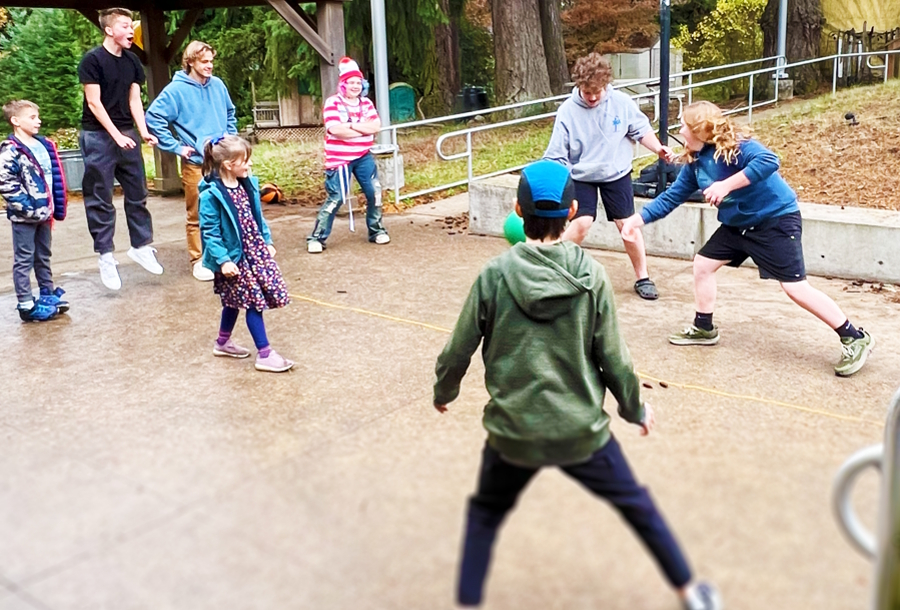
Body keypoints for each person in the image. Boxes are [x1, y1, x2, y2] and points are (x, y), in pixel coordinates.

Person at [433, 159, 721, 610]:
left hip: (515, 433)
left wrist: (443, 392)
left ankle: (468, 603)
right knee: (637, 506)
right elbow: (614, 358)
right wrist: (634, 409)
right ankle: (691, 592)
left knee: (486, 513)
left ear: (516, 209)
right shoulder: (592, 276)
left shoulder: (494, 275)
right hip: (580, 432)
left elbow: (457, 350)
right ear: (571, 211)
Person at [620, 101, 874, 377]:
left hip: (774, 220)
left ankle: (855, 336)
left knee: (795, 288)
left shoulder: (739, 146)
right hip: (738, 225)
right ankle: (704, 328)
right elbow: (672, 196)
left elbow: (769, 161)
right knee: (703, 265)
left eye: (683, 125)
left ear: (700, 130)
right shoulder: (696, 162)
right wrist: (637, 220)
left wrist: (726, 185)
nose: (679, 129)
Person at [544, 52, 672, 300]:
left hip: (616, 172)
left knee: (628, 225)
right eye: (587, 92)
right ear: (579, 86)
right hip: (581, 175)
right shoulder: (567, 111)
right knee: (581, 223)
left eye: (597, 92)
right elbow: (556, 155)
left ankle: (643, 277)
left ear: (606, 85)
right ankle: (553, 268)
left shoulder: (622, 102)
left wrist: (658, 148)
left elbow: (640, 129)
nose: (592, 98)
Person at [78, 7, 161, 291]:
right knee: (100, 198)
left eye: (132, 25)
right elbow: (94, 103)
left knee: (138, 193)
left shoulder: (133, 61)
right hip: (98, 136)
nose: (131, 30)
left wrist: (143, 131)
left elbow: (135, 100)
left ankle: (140, 246)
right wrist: (115, 135)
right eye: (126, 25)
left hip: (126, 134)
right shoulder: (92, 60)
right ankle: (106, 256)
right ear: (109, 30)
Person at [198, 135, 294, 373]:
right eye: (245, 161)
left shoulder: (247, 185)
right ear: (229, 164)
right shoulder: (211, 195)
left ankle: (222, 342)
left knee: (233, 301)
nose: (249, 165)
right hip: (235, 258)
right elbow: (210, 232)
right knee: (253, 302)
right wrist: (223, 260)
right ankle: (265, 354)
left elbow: (256, 218)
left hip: (256, 253)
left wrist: (267, 240)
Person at [146, 40, 237, 282]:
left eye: (211, 61)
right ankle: (199, 260)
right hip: (196, 162)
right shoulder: (176, 90)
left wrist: (230, 136)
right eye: (204, 62)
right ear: (190, 62)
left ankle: (224, 256)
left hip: (222, 160)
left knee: (227, 208)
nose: (210, 66)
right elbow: (153, 117)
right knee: (197, 212)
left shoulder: (217, 85)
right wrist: (176, 147)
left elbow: (230, 112)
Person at [306, 57, 389, 253]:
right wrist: (361, 129)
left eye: (358, 82)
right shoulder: (333, 103)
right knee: (336, 198)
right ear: (343, 84)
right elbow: (335, 130)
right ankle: (316, 238)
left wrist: (350, 126)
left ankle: (376, 230)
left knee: (374, 193)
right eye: (351, 82)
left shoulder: (366, 103)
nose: (355, 86)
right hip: (339, 159)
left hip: (363, 156)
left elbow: (376, 126)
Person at [0, 100, 68, 321]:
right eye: (32, 117)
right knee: (24, 258)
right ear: (15, 121)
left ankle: (47, 294)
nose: (38, 121)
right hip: (25, 217)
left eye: (38, 116)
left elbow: (53, 177)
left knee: (43, 255)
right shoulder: (11, 151)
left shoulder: (43, 145)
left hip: (45, 213)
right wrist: (28, 208)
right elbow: (6, 184)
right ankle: (26, 304)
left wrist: (54, 206)